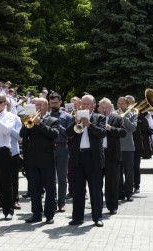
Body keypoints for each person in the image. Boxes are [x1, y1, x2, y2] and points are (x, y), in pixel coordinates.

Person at [66, 94, 106, 227]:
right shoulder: (75, 117)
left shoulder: (99, 117)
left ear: (94, 106)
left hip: (92, 157)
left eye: (88, 104)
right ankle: (77, 217)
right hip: (78, 157)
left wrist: (89, 125)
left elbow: (102, 133)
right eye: (83, 104)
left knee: (95, 189)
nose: (85, 106)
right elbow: (67, 134)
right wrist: (74, 122)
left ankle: (97, 217)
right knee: (78, 190)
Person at [20, 97, 60, 224]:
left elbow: (54, 134)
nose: (37, 107)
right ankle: (36, 214)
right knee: (34, 188)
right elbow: (22, 134)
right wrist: (26, 121)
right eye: (36, 105)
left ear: (46, 107)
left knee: (50, 188)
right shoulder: (29, 119)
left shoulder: (53, 120)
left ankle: (49, 215)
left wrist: (40, 124)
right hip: (32, 159)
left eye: (40, 105)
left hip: (47, 159)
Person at [99, 98, 126, 215]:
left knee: (112, 182)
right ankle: (98, 206)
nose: (104, 109)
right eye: (102, 107)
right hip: (98, 154)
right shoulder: (96, 118)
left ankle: (112, 206)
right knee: (97, 183)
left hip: (112, 155)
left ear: (111, 107)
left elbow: (123, 132)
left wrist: (111, 129)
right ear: (99, 108)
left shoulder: (117, 118)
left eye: (106, 107)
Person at [48, 92, 72, 213]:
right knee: (50, 178)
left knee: (62, 178)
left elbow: (70, 134)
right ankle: (51, 202)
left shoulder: (67, 117)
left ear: (60, 102)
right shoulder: (46, 116)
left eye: (56, 103)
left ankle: (61, 203)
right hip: (49, 149)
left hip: (62, 148)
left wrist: (58, 126)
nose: (53, 105)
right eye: (51, 103)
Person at [117, 96, 137, 202]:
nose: (120, 105)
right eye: (119, 103)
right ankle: (120, 192)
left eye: (122, 103)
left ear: (127, 104)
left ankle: (129, 192)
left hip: (128, 147)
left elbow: (133, 128)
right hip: (116, 147)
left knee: (129, 172)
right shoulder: (114, 114)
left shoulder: (133, 114)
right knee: (118, 172)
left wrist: (123, 117)